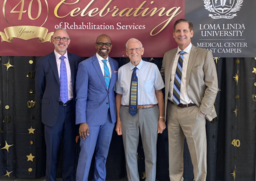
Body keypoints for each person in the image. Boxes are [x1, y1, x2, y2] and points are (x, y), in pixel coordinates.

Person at [161, 19, 218, 181]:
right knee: (174, 153)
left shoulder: (204, 54)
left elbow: (212, 86)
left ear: (191, 33)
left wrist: (203, 111)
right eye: (178, 31)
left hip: (194, 111)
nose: (181, 34)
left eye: (185, 31)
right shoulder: (168, 55)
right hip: (172, 110)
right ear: (173, 34)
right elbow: (162, 79)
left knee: (198, 154)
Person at [115, 38, 166, 181]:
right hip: (127, 113)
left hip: (149, 112)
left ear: (142, 51)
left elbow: (159, 93)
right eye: (131, 49)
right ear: (126, 52)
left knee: (150, 152)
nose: (134, 52)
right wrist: (118, 120)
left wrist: (161, 118)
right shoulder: (121, 71)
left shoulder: (152, 68)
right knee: (129, 152)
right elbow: (118, 96)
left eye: (137, 49)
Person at [35, 28, 81, 181]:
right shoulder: (43, 61)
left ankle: (68, 178)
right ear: (52, 40)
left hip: (71, 111)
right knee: (52, 151)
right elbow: (39, 89)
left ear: (69, 41)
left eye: (65, 38)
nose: (62, 41)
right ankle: (51, 179)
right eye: (58, 38)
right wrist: (52, 103)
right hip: (52, 112)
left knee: (69, 150)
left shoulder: (77, 60)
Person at [76, 34, 118, 181]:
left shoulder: (115, 64)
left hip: (109, 118)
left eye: (107, 44)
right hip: (90, 120)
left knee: (102, 155)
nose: (104, 46)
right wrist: (82, 121)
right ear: (95, 45)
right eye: (100, 43)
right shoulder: (85, 65)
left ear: (111, 46)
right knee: (86, 155)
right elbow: (80, 96)